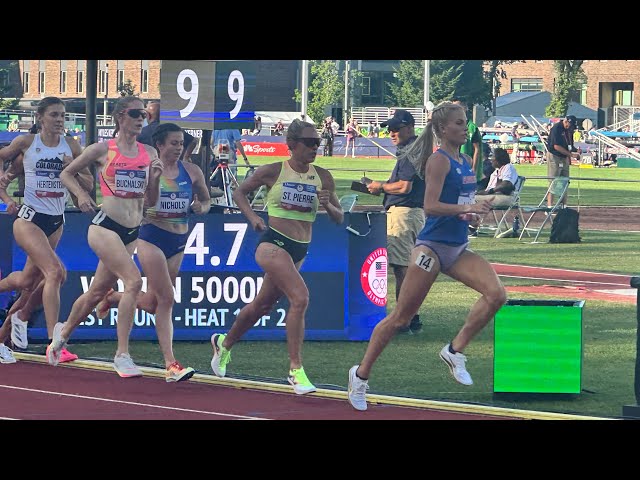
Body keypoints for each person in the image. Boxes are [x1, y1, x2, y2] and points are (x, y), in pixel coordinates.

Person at [347, 101, 504, 411]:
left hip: (457, 247)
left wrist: (472, 215)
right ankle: (360, 375)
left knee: (496, 294)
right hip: (430, 248)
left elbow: (462, 204)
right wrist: (467, 208)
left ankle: (455, 351)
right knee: (401, 318)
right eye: (458, 123)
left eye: (464, 123)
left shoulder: (465, 163)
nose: (464, 128)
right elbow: (430, 206)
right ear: (443, 129)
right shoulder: (439, 161)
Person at [210, 119, 344, 394]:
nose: (314, 148)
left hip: (300, 248)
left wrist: (328, 203)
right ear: (292, 145)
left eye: (317, 143)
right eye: (309, 143)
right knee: (300, 297)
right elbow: (239, 192)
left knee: (262, 306)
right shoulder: (273, 171)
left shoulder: (323, 176)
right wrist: (252, 218)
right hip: (272, 243)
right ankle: (296, 370)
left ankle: (224, 344)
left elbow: (339, 218)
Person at [46, 96, 163, 378]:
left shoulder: (149, 153)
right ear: (120, 117)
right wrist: (82, 194)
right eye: (135, 113)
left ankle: (60, 336)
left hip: (131, 231)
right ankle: (122, 355)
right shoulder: (103, 149)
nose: (140, 119)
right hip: (104, 227)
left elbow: (151, 202)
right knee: (133, 281)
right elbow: (66, 174)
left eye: (144, 115)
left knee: (97, 292)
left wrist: (156, 180)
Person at [93, 123, 210, 382]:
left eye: (181, 144)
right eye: (173, 143)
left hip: (179, 239)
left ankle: (114, 297)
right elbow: (143, 200)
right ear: (160, 145)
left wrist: (203, 206)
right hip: (151, 236)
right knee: (168, 299)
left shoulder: (192, 171)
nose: (178, 149)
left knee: (154, 302)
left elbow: (206, 198)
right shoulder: (147, 169)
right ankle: (171, 364)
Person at [0, 97, 93, 362]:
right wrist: (5, 195)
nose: (60, 120)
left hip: (55, 221)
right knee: (55, 272)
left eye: (63, 115)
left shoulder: (72, 145)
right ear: (41, 117)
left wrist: (70, 169)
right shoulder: (26, 143)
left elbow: (87, 183)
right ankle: (56, 341)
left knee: (29, 281)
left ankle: (18, 318)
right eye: (54, 115)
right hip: (29, 219)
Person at [363, 109, 425, 334]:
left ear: (409, 127)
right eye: (389, 129)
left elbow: (404, 186)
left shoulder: (410, 152)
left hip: (404, 214)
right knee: (409, 269)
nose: (391, 133)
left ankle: (405, 319)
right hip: (412, 213)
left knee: (402, 270)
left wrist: (380, 186)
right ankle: (410, 317)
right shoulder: (414, 149)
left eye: (396, 129)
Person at [545, 115, 579, 207]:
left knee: (565, 181)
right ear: (566, 121)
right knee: (553, 181)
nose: (570, 128)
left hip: (564, 157)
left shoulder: (569, 131)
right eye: (570, 125)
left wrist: (576, 151)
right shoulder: (556, 128)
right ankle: (549, 206)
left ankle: (563, 205)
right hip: (554, 156)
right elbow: (556, 146)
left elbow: (570, 145)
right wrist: (570, 154)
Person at [452, 99, 483, 182]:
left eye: (457, 107)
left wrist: (473, 168)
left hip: (467, 167)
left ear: (465, 108)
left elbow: (477, 149)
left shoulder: (472, 127)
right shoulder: (451, 125)